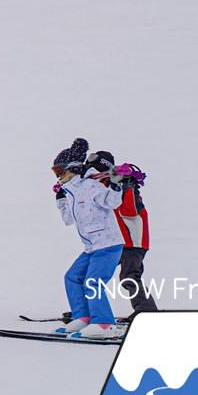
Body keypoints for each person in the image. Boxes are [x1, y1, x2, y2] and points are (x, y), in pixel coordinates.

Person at [52, 139, 129, 340]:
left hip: (109, 245)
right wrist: (60, 199)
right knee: (72, 277)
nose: (58, 175)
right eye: (55, 171)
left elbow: (112, 202)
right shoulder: (71, 192)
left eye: (59, 170)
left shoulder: (90, 185)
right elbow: (68, 220)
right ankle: (84, 317)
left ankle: (104, 324)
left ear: (72, 169)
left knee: (93, 282)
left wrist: (114, 184)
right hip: (92, 247)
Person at [111, 160, 158, 316]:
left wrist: (127, 187)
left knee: (129, 276)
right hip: (120, 243)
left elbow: (129, 212)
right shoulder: (119, 192)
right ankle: (87, 309)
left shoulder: (131, 193)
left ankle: (146, 310)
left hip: (132, 244)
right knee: (95, 273)